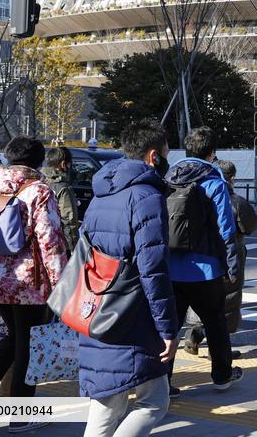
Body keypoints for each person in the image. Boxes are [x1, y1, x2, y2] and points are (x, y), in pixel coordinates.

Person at [78, 119, 179, 437]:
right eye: (164, 153)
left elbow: (84, 251)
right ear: (153, 156)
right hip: (132, 318)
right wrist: (168, 329)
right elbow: (154, 269)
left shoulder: (100, 192)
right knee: (154, 403)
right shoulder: (147, 196)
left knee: (105, 408)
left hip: (97, 311)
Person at [0, 136, 68, 432]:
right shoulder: (39, 191)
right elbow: (50, 241)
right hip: (30, 283)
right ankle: (21, 415)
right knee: (28, 346)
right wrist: (61, 284)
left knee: (13, 339)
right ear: (38, 161)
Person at [164, 127, 242, 396]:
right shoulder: (214, 181)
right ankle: (221, 376)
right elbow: (226, 230)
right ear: (211, 152)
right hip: (206, 268)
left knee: (170, 326)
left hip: (171, 267)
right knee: (215, 322)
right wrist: (232, 267)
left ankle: (163, 381)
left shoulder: (168, 178)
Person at [186, 160, 257, 355]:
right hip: (229, 254)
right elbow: (250, 226)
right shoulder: (235, 200)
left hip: (200, 254)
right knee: (227, 298)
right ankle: (217, 349)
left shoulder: (198, 194)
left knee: (200, 293)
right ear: (232, 178)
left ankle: (193, 335)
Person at [43, 146, 81, 251]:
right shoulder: (63, 187)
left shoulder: (39, 182)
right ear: (63, 164)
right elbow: (69, 220)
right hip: (60, 243)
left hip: (42, 239)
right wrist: (74, 248)